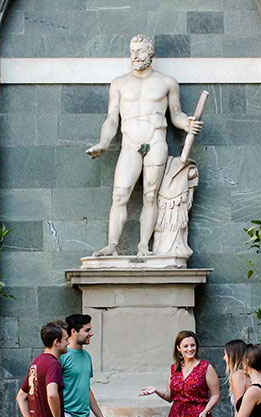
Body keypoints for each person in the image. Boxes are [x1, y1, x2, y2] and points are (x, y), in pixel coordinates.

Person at [86, 34, 203, 257]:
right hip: (130, 144)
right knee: (119, 195)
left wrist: (187, 124)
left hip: (156, 142)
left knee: (150, 196)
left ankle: (143, 246)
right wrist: (103, 143)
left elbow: (175, 115)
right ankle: (112, 245)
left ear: (150, 52)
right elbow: (112, 118)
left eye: (139, 51)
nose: (135, 56)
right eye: (132, 51)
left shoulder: (167, 82)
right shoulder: (119, 83)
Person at [223, 339, 249, 412]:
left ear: (233, 356)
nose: (224, 358)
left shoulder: (238, 375)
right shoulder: (246, 374)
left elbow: (239, 409)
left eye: (225, 354)